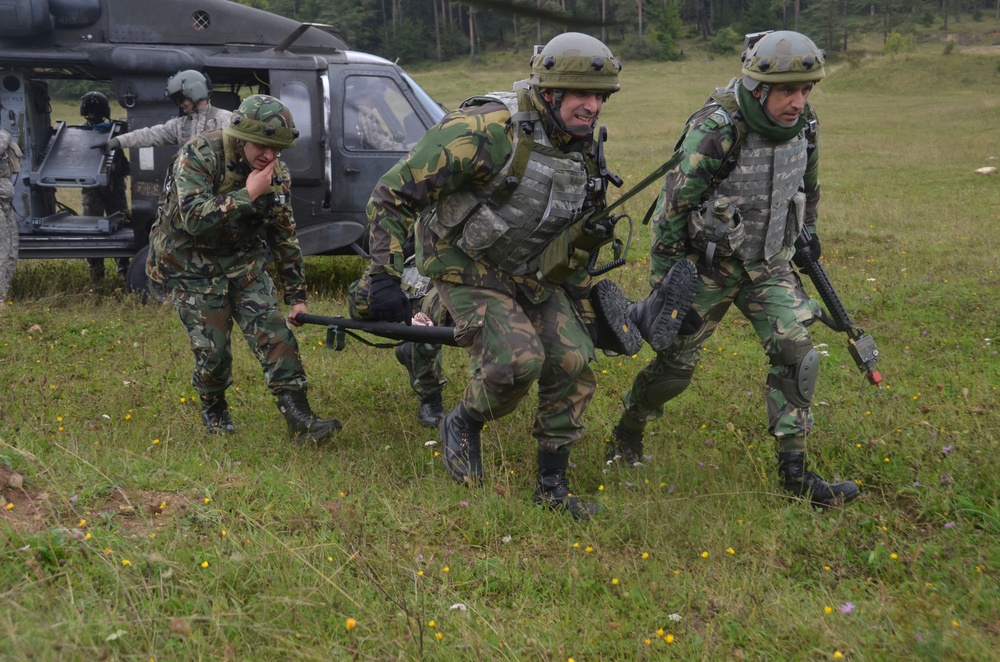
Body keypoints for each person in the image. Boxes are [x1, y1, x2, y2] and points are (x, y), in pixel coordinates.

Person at [363, 33, 694, 519]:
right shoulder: (484, 129)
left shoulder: (582, 147)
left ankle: (551, 485)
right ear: (549, 92)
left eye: (600, 96)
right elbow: (391, 193)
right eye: (581, 95)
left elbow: (571, 230)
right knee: (518, 361)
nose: (593, 107)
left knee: (573, 363)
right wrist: (383, 276)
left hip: (530, 272)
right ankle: (463, 422)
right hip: (464, 264)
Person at [606, 30, 859, 508]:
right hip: (708, 267)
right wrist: (667, 288)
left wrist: (808, 235)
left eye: (806, 90)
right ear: (760, 88)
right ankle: (627, 434)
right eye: (788, 91)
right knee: (674, 367)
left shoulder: (805, 126)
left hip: (768, 264)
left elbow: (810, 185)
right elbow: (670, 211)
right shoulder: (718, 129)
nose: (798, 101)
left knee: (798, 356)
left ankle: (795, 475)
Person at [145, 94, 340, 443]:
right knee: (213, 352)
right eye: (263, 147)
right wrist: (247, 195)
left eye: (277, 150)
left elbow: (284, 234)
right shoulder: (199, 154)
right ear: (241, 136)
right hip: (191, 265)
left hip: (242, 263)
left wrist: (297, 296)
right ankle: (214, 405)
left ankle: (300, 419)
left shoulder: (276, 174)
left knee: (276, 334)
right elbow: (193, 220)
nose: (270, 157)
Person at [348, 244, 449, 428]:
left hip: (447, 273)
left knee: (439, 314)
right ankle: (414, 357)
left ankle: (430, 395)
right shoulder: (393, 221)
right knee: (362, 302)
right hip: (396, 269)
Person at [97, 69, 232, 154]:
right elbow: (149, 135)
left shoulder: (225, 119)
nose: (180, 105)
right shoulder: (179, 126)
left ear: (194, 91)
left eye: (180, 98)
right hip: (189, 192)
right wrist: (118, 141)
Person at [79, 91, 131, 282]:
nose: (95, 115)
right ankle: (96, 274)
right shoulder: (81, 132)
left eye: (97, 111)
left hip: (114, 185)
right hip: (92, 187)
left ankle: (124, 271)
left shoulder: (114, 129)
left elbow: (130, 130)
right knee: (91, 229)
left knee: (121, 226)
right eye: (92, 111)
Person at [0, 125, 21, 308]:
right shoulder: (2, 135)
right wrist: (5, 135)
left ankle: (3, 294)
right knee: (2, 250)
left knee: (12, 250)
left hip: (5, 201)